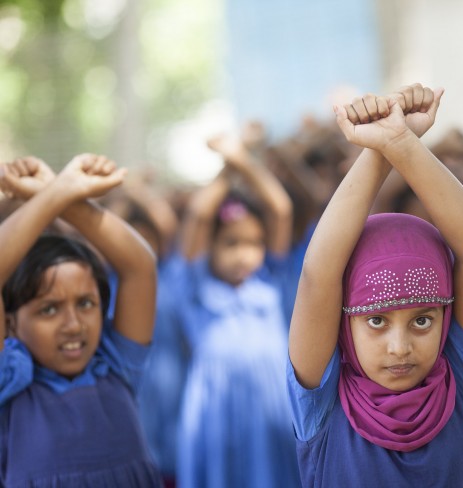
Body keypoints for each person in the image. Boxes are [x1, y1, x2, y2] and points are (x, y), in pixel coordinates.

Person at [288, 84, 463, 487]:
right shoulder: (323, 402)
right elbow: (319, 275)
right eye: (376, 321)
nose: (399, 347)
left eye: (422, 321)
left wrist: (402, 143)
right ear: (343, 321)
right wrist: (378, 149)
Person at [0, 154, 162, 486]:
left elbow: (140, 266)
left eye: (86, 303)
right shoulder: (9, 384)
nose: (73, 324)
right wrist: (57, 193)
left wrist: (60, 193)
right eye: (48, 309)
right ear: (11, 322)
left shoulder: (116, 365)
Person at [169, 133, 300, 488]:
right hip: (217, 407)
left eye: (255, 243)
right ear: (209, 245)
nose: (245, 254)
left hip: (271, 403)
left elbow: (280, 208)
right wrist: (227, 169)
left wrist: (242, 158)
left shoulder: (269, 280)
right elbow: (198, 214)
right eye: (231, 243)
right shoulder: (196, 287)